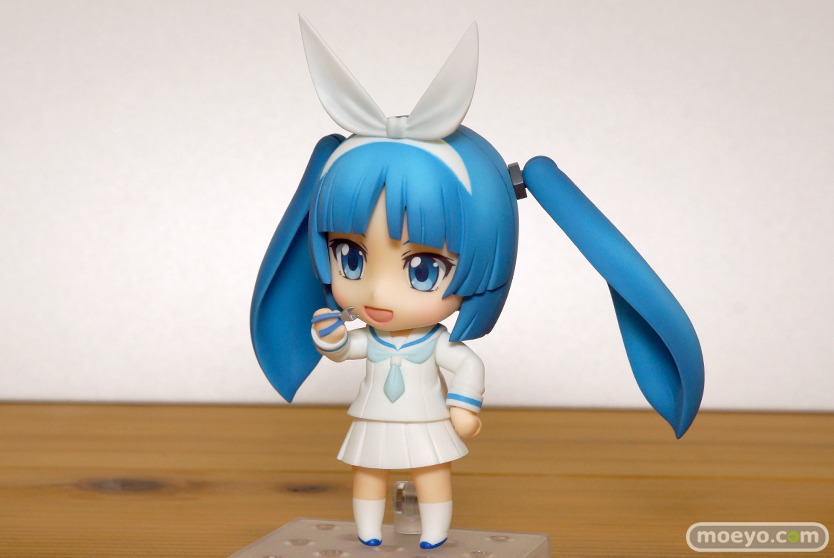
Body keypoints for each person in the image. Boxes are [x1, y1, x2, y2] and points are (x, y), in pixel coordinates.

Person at [250, 15, 704, 549]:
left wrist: (465, 406)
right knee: (368, 472)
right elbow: (348, 348)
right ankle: (369, 534)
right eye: (350, 258)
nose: (376, 292)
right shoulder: (373, 336)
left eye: (421, 269)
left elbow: (465, 365)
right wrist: (330, 340)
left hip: (425, 420)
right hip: (374, 418)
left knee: (431, 473)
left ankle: (433, 536)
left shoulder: (434, 343)